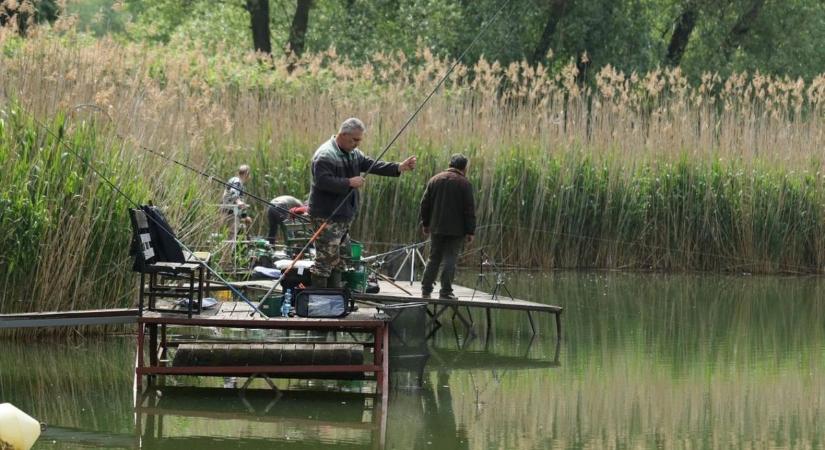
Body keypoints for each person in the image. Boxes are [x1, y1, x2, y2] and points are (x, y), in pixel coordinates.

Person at [309, 117, 417, 288]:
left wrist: (398, 167)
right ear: (343, 135)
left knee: (342, 258)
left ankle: (335, 298)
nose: (357, 144)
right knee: (325, 260)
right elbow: (322, 181)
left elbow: (370, 164)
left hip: (344, 215)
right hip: (326, 215)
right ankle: (318, 300)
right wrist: (349, 183)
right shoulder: (325, 154)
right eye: (355, 140)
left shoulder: (353, 153)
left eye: (359, 140)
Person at [419, 154, 476, 299]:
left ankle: (426, 289)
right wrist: (470, 231)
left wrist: (425, 223)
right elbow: (469, 210)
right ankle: (445, 291)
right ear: (464, 168)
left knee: (434, 257)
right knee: (450, 258)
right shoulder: (465, 184)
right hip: (456, 230)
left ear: (450, 164)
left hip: (436, 227)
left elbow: (424, 204)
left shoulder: (435, 180)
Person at [222, 164, 253, 229]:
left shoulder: (240, 184)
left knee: (231, 234)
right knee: (232, 234)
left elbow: (242, 202)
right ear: (246, 174)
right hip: (231, 213)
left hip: (231, 212)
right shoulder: (237, 181)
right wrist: (238, 202)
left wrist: (245, 216)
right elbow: (233, 192)